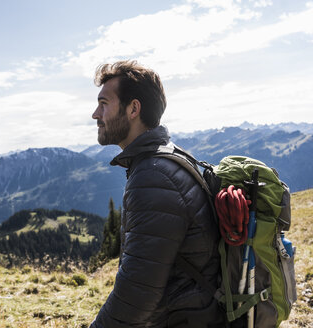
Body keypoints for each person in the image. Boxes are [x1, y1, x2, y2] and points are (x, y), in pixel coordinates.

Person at [89, 60, 222, 328]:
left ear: (133, 109)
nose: (95, 114)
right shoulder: (167, 159)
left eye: (104, 103)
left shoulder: (153, 177)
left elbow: (136, 296)